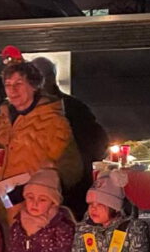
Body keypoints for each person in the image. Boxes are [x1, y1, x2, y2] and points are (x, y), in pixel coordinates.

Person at [0, 62, 81, 226]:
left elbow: (71, 169)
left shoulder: (53, 122)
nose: (13, 90)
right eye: (8, 85)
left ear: (34, 86)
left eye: (19, 83)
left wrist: (41, 186)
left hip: (32, 214)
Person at [31, 56, 109, 220]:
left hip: (72, 190)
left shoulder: (74, 109)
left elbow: (98, 142)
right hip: (35, 192)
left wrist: (75, 165)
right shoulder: (21, 113)